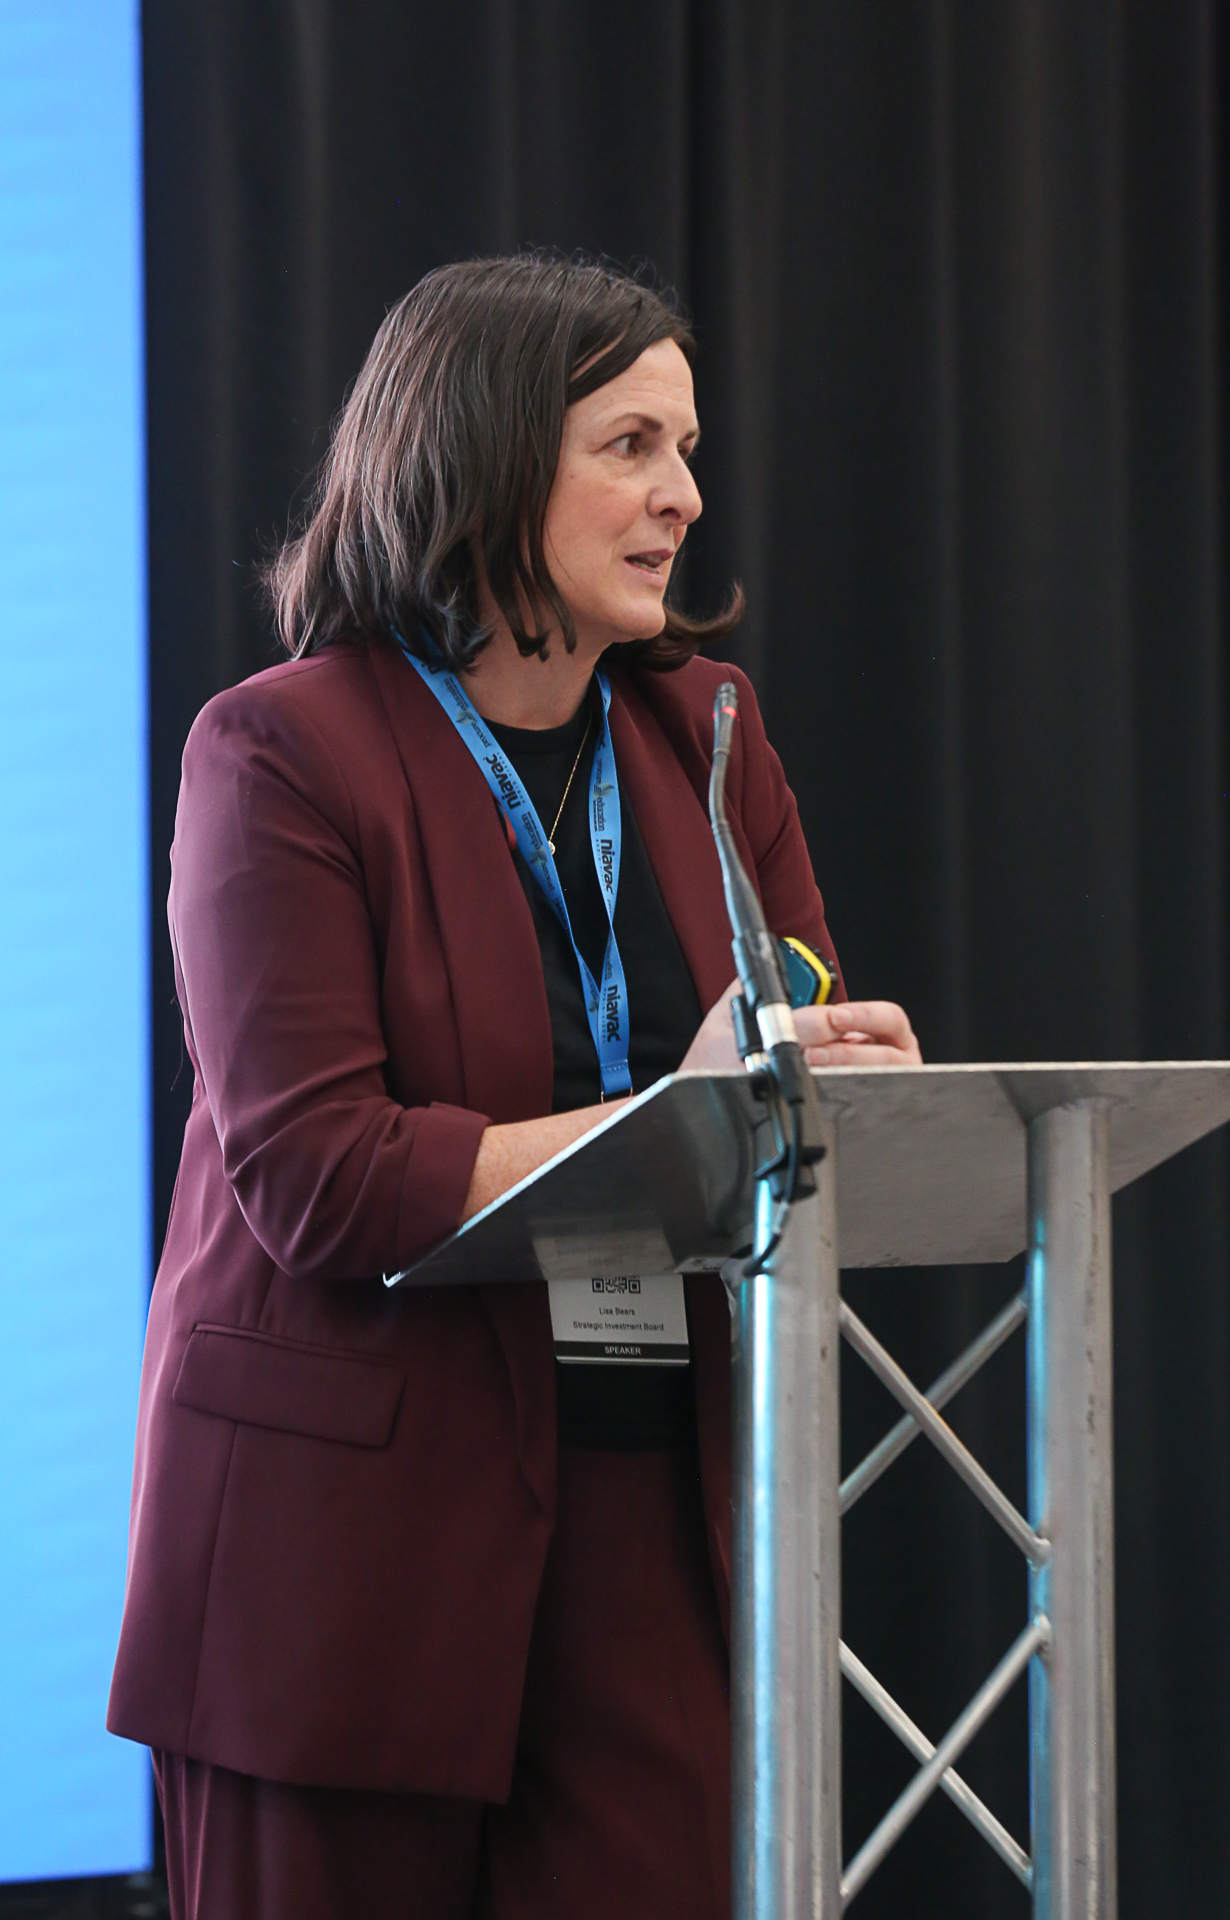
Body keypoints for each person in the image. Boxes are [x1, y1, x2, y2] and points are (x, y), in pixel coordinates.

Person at [108, 255, 921, 1920]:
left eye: (687, 450)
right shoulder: (278, 751)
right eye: (631, 446)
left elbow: (790, 1028)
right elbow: (323, 1177)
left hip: (647, 1520)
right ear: (480, 456)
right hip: (341, 1544)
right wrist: (677, 1116)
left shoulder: (711, 735)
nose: (685, 496)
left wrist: (834, 1073)